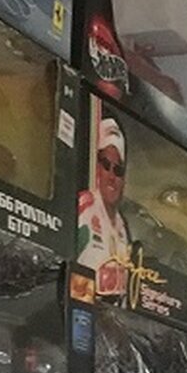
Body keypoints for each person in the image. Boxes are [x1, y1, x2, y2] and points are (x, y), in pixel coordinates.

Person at [76, 115, 134, 295]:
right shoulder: (85, 210)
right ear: (97, 167)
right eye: (106, 165)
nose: (111, 176)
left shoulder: (122, 228)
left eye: (118, 170)